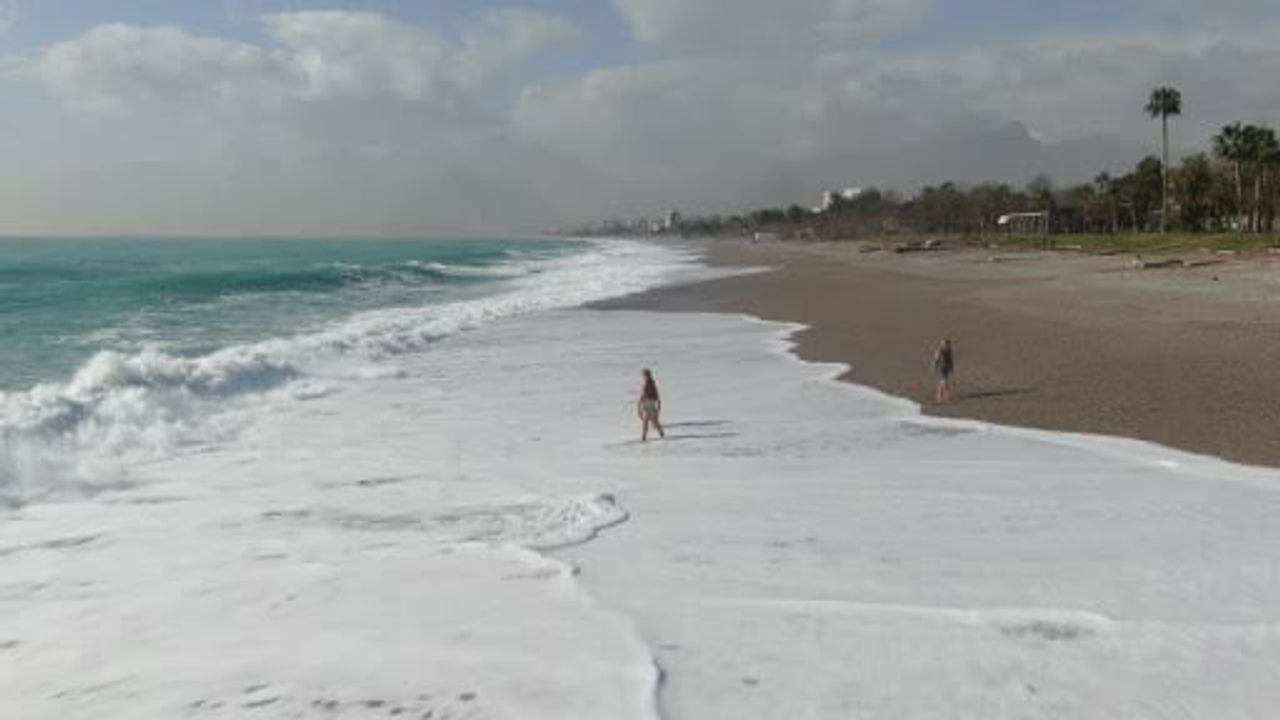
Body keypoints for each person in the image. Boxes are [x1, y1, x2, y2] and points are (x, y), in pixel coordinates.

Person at [637, 368, 665, 441]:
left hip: (650, 403)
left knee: (652, 421)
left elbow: (655, 395)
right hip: (647, 403)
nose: (644, 376)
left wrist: (658, 404)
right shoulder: (647, 383)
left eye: (645, 375)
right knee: (648, 421)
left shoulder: (651, 383)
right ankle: (644, 436)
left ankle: (659, 432)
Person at [933, 339, 955, 403]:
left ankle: (940, 394)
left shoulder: (949, 351)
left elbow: (951, 360)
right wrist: (935, 367)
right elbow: (936, 359)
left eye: (948, 344)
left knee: (944, 380)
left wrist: (951, 368)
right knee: (944, 380)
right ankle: (944, 394)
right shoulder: (939, 351)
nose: (947, 345)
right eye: (945, 344)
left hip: (946, 367)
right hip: (941, 367)